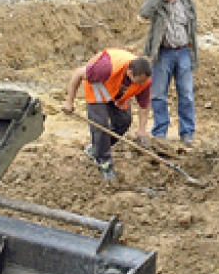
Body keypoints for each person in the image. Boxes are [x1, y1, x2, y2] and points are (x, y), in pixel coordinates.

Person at [62, 49, 152, 181]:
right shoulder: (105, 68)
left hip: (117, 94)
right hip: (98, 90)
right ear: (130, 72)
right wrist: (69, 101)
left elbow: (144, 106)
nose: (141, 84)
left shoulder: (145, 80)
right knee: (101, 125)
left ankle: (96, 148)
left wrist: (142, 130)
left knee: (124, 121)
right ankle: (104, 163)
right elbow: (78, 74)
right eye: (138, 81)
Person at [140, 0, 198, 146]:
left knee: (186, 95)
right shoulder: (156, 1)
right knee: (158, 95)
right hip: (163, 53)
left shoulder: (186, 1)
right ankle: (160, 133)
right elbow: (144, 13)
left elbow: (192, 27)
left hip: (183, 52)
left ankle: (187, 133)